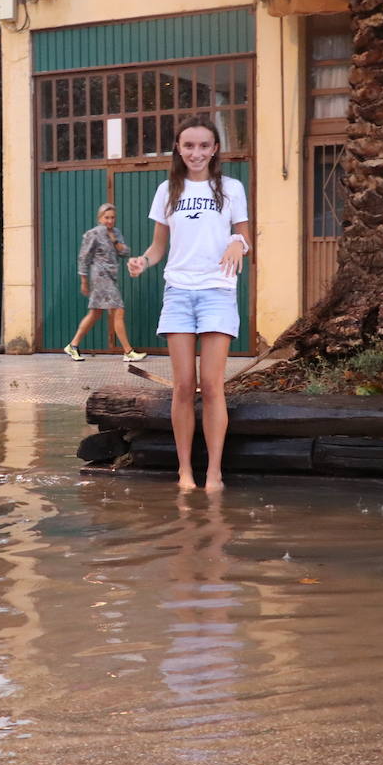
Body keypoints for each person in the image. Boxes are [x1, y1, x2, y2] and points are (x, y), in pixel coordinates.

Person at [127, 115, 251, 492]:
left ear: (215, 149)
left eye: (203, 145)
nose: (196, 152)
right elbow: (159, 246)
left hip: (217, 291)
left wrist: (237, 242)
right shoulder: (167, 190)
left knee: (212, 386)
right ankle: (184, 472)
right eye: (188, 146)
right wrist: (142, 262)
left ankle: (214, 473)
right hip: (178, 292)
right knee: (183, 386)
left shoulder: (230, 187)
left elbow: (244, 235)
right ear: (178, 150)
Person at [63, 203, 147, 363]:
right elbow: (83, 257)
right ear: (100, 218)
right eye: (106, 217)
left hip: (111, 276)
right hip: (100, 276)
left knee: (95, 313)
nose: (109, 221)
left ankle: (73, 345)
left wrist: (115, 241)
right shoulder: (93, 234)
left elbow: (125, 252)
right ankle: (128, 351)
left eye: (112, 218)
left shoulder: (116, 233)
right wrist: (83, 280)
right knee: (119, 310)